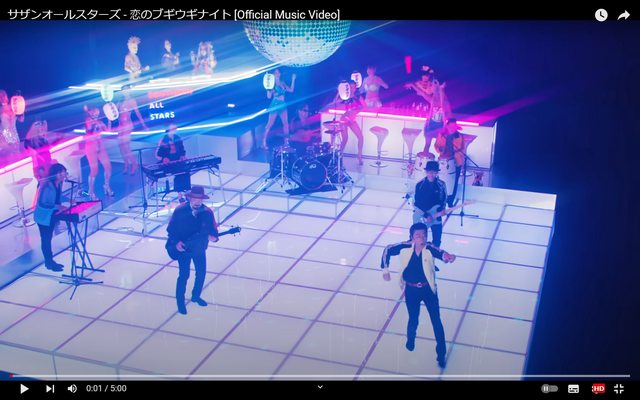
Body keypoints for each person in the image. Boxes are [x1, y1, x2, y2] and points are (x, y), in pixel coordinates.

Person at [381, 222, 457, 368]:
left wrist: (448, 257)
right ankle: (410, 340)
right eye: (417, 235)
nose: (421, 238)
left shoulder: (430, 248)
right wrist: (385, 269)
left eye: (424, 235)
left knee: (436, 321)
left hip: (429, 290)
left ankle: (441, 354)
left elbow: (441, 253)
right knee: (413, 319)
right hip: (411, 290)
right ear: (411, 237)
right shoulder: (404, 247)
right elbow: (387, 250)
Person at [166, 186, 219, 315]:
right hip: (184, 249)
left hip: (199, 248)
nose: (197, 202)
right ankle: (180, 303)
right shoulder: (180, 210)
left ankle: (196, 296)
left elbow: (214, 232)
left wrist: (214, 238)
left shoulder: (207, 212)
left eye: (199, 199)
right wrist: (176, 243)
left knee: (201, 273)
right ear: (190, 198)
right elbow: (171, 230)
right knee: (184, 275)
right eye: (195, 199)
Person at [33, 163, 68, 272]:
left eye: (64, 173)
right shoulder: (47, 186)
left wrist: (68, 200)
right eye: (61, 173)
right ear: (55, 173)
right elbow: (42, 203)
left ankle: (50, 261)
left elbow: (58, 197)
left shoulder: (58, 184)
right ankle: (49, 262)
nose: (63, 175)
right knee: (46, 240)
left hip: (51, 215)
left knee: (48, 238)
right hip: (43, 217)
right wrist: (57, 206)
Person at [413, 161, 448, 247]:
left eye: (434, 172)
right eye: (429, 172)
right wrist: (426, 215)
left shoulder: (442, 185)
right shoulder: (419, 185)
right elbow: (416, 203)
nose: (431, 174)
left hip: (436, 216)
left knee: (437, 241)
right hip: (422, 216)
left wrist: (442, 210)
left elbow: (444, 199)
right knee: (418, 240)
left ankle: (433, 255)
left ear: (437, 173)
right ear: (426, 172)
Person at [84, 105, 114, 199]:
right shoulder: (88, 121)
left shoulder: (100, 122)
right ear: (91, 112)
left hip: (100, 146)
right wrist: (91, 116)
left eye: (98, 112)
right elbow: (90, 130)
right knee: (94, 170)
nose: (96, 114)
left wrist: (109, 121)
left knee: (108, 167)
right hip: (91, 147)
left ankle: (106, 185)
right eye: (95, 112)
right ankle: (91, 191)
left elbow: (108, 131)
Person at [117, 84, 148, 175]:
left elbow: (137, 112)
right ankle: (126, 164)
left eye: (127, 89)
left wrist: (144, 124)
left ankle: (134, 165)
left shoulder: (132, 101)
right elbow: (114, 113)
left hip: (127, 125)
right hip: (120, 126)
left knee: (126, 147)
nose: (125, 91)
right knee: (121, 147)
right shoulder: (119, 101)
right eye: (123, 90)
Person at [262, 68, 296, 149]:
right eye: (276, 73)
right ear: (273, 74)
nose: (278, 74)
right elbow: (269, 96)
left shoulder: (282, 82)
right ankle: (263, 142)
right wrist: (268, 89)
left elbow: (291, 90)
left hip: (282, 104)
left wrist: (293, 79)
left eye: (278, 72)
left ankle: (286, 143)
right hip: (275, 104)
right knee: (270, 124)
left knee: (286, 124)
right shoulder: (272, 84)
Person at [334, 80, 365, 165]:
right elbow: (335, 101)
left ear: (355, 88)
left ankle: (359, 156)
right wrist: (339, 92)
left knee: (361, 137)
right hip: (344, 119)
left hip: (352, 120)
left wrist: (357, 111)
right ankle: (338, 156)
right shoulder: (345, 97)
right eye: (350, 87)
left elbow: (364, 106)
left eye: (354, 87)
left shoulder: (358, 96)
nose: (352, 89)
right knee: (345, 138)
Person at [435, 118, 465, 207]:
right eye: (451, 126)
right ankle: (441, 200)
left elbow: (462, 148)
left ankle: (450, 200)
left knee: (454, 182)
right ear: (447, 126)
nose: (452, 128)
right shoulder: (442, 135)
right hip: (444, 161)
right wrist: (440, 149)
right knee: (441, 181)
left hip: (455, 161)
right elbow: (436, 145)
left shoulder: (459, 136)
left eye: (454, 126)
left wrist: (456, 152)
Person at [156, 122, 187, 202]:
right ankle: (180, 194)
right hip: (168, 162)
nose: (175, 130)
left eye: (175, 128)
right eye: (173, 128)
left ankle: (186, 191)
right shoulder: (163, 140)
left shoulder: (178, 138)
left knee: (185, 170)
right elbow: (158, 154)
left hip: (177, 160)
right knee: (179, 172)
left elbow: (182, 150)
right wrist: (164, 158)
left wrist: (182, 156)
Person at [421, 81, 451, 158]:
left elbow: (442, 102)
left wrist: (441, 88)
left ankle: (442, 162)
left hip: (439, 124)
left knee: (441, 147)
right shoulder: (433, 100)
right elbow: (423, 94)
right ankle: (424, 160)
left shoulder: (444, 102)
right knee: (427, 144)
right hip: (431, 123)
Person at [0, 89, 23, 157]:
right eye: (0, 96)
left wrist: (22, 110)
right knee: (8, 157)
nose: (2, 97)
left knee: (17, 156)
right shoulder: (0, 109)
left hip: (15, 136)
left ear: (6, 95)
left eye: (3, 95)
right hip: (3, 137)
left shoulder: (14, 106)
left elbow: (21, 120)